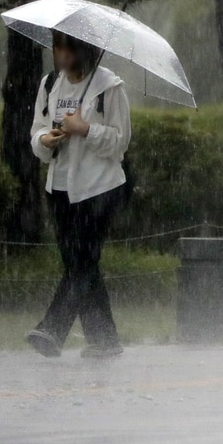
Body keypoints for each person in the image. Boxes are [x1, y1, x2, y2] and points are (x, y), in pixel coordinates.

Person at [24, 32, 131, 359]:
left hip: (99, 188)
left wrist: (85, 129)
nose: (61, 54)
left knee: (82, 263)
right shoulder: (50, 83)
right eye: (57, 46)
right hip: (59, 189)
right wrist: (46, 140)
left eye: (69, 47)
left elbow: (120, 141)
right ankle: (105, 339)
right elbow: (37, 129)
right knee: (79, 263)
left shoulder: (109, 87)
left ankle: (52, 329)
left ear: (85, 49)